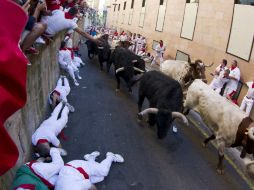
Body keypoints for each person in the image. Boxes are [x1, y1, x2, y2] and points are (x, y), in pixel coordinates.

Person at [55, 151, 124, 190]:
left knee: (103, 171)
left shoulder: (75, 188)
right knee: (100, 178)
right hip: (73, 174)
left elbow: (91, 187)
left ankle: (111, 156)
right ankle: (91, 159)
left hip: (76, 167)